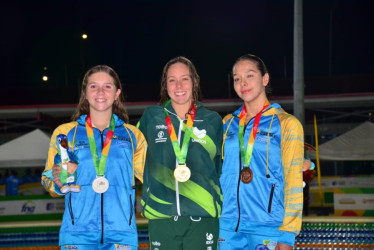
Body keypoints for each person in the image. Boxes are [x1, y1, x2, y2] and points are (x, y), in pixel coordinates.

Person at [41, 65, 147, 250]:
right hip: (77, 233)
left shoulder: (133, 135)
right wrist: (58, 180)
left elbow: (151, 177)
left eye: (107, 86)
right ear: (85, 93)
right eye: (93, 86)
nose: (100, 91)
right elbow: (47, 179)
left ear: (117, 93)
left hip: (121, 233)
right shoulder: (65, 133)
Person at [219, 54, 304, 250]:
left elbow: (293, 180)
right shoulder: (227, 124)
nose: (243, 83)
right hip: (227, 226)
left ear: (265, 79)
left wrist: (288, 234)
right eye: (237, 78)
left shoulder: (287, 124)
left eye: (250, 76)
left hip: (267, 227)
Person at [137, 56, 223, 250]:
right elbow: (131, 154)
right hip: (162, 216)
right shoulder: (151, 117)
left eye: (185, 78)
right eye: (171, 80)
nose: (178, 85)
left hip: (203, 216)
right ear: (165, 85)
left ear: (194, 81)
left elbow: (220, 166)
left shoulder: (213, 120)